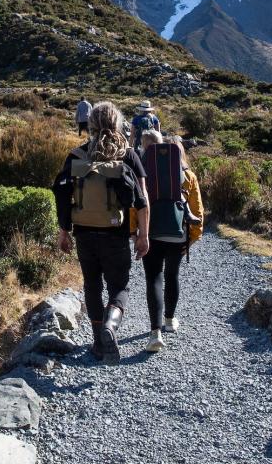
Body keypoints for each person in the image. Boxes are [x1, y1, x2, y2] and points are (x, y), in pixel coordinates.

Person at [53, 101, 150, 363]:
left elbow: (63, 196)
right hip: (115, 233)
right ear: (117, 123)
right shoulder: (128, 155)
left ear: (90, 125)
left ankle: (98, 343)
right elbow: (142, 200)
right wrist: (143, 235)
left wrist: (64, 232)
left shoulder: (76, 155)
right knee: (119, 285)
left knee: (92, 284)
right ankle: (111, 325)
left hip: (84, 233)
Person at [138, 132, 204, 353]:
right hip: (179, 235)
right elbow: (198, 212)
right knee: (172, 275)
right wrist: (192, 238)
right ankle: (169, 320)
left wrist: (136, 233)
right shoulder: (190, 176)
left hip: (152, 232)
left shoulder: (146, 172)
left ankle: (155, 333)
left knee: (153, 279)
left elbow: (136, 203)